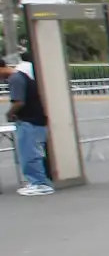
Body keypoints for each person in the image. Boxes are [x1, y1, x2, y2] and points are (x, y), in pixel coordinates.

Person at [4, 53, 53, 195]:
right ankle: (38, 181)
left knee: (29, 154)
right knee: (35, 152)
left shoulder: (15, 79)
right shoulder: (24, 76)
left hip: (28, 120)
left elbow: (18, 101)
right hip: (37, 119)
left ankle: (39, 183)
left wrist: (9, 113)